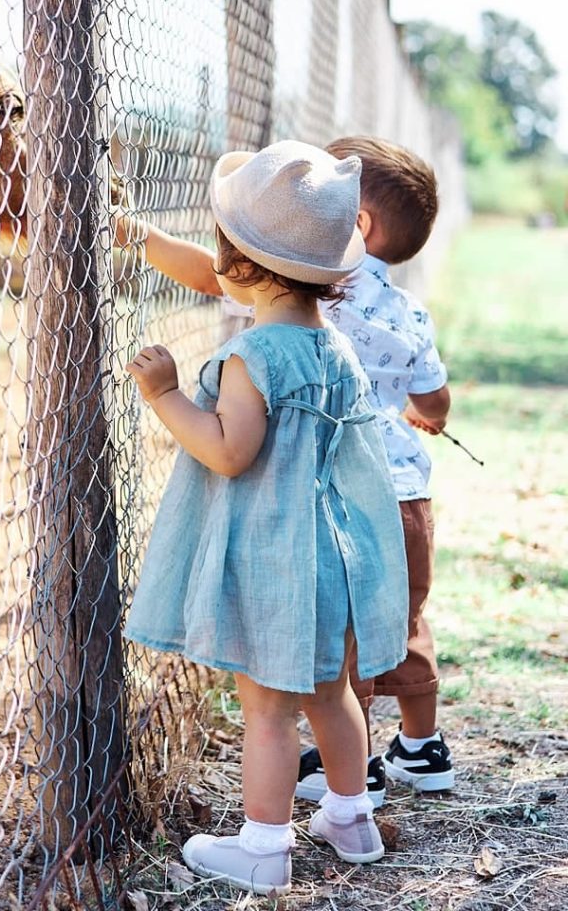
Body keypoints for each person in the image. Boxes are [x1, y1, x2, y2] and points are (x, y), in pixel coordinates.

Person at [123, 140, 409, 896]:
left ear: (244, 268)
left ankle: (263, 846)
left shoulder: (254, 357)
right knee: (331, 694)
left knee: (267, 711)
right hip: (332, 554)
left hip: (274, 561)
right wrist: (143, 238)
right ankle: (352, 818)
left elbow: (228, 451)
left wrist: (166, 396)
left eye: (224, 255)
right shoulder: (333, 348)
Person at [292, 136, 453, 808]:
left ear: (357, 224)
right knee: (407, 619)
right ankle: (422, 750)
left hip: (347, 496)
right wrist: (428, 417)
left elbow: (216, 279)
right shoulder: (410, 311)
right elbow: (435, 401)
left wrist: (138, 237)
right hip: (410, 498)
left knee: (345, 627)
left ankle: (347, 767)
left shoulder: (319, 287)